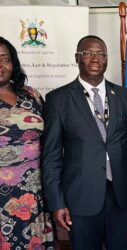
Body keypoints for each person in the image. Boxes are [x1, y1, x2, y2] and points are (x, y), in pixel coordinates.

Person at [41, 35, 127, 250]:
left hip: (122, 196)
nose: (95, 58)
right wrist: (57, 203)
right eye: (88, 53)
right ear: (77, 58)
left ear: (106, 59)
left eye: (101, 53)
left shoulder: (124, 96)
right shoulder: (58, 99)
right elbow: (51, 157)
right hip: (80, 197)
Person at [0, 37, 55, 249]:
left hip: (35, 192)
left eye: (5, 58)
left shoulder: (31, 95)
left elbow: (51, 141)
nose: (0, 65)